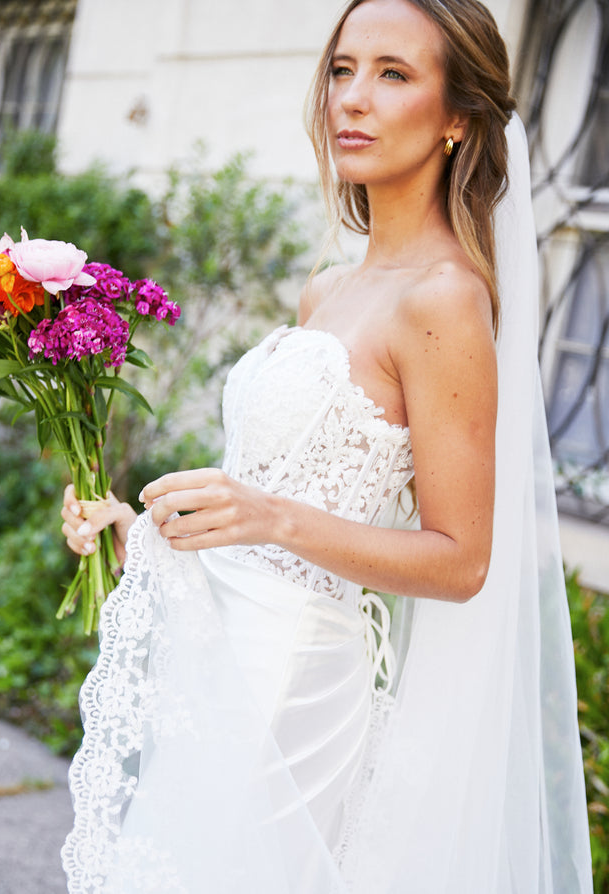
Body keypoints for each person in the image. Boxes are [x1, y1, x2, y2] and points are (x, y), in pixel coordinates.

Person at [60, 1, 593, 892]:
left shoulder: (446, 301)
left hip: (295, 683)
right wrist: (135, 527)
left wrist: (268, 515)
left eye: (393, 74)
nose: (353, 98)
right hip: (218, 664)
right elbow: (271, 504)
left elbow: (460, 560)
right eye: (343, 69)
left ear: (458, 116)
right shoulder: (331, 290)